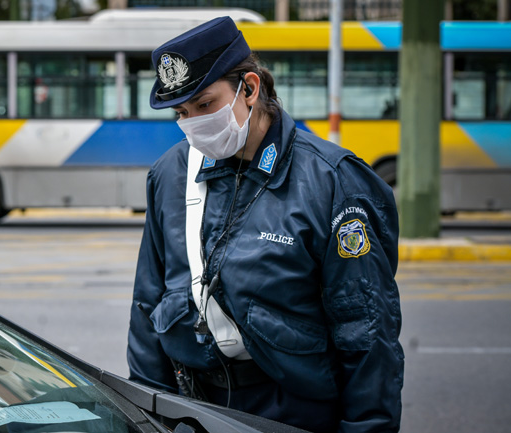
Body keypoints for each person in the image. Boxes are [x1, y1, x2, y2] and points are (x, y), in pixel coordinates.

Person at [126, 16, 404, 433]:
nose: (194, 124)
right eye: (181, 113)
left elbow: (366, 332)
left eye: (205, 105)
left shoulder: (332, 180)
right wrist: (147, 416)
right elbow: (147, 305)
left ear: (250, 88)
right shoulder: (170, 173)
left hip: (292, 410)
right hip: (193, 408)